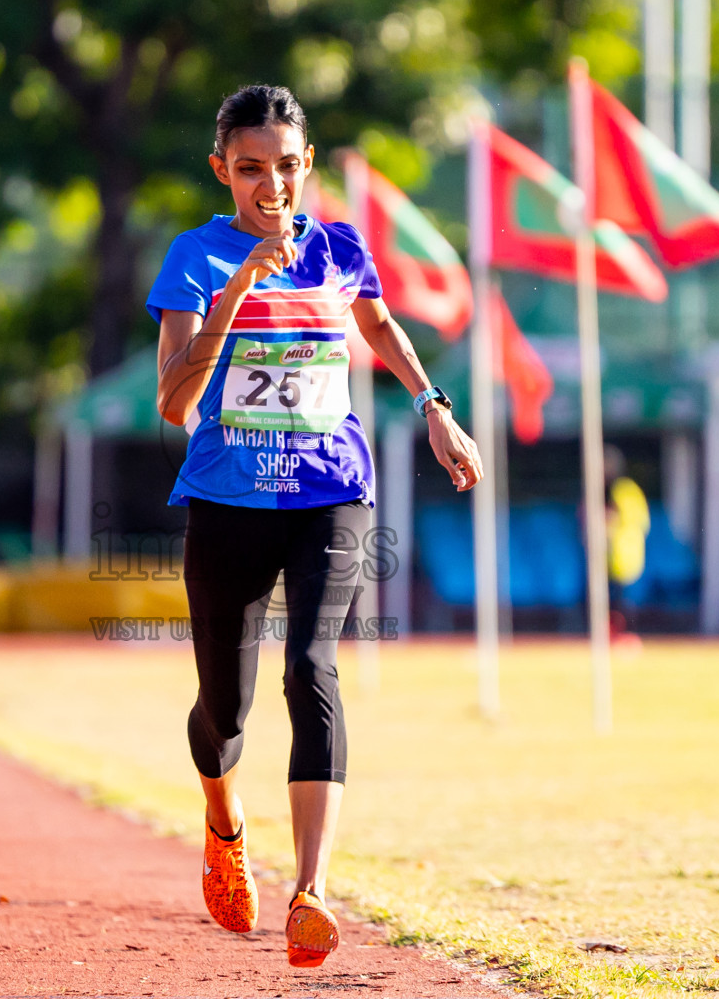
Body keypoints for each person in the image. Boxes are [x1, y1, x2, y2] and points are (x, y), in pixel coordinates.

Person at [147, 85, 483, 968]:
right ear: (222, 170)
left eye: (288, 167)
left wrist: (434, 405)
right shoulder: (194, 258)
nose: (272, 186)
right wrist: (240, 290)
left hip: (330, 491)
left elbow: (378, 323)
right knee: (225, 712)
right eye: (251, 169)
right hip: (226, 501)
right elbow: (172, 399)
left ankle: (311, 891)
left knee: (313, 666)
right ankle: (224, 823)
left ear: (305, 166)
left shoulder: (340, 249)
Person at [603, 446, 649, 649]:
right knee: (622, 600)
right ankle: (621, 637)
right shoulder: (629, 489)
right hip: (626, 552)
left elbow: (615, 518)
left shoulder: (619, 490)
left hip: (621, 552)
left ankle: (623, 638)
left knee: (621, 601)